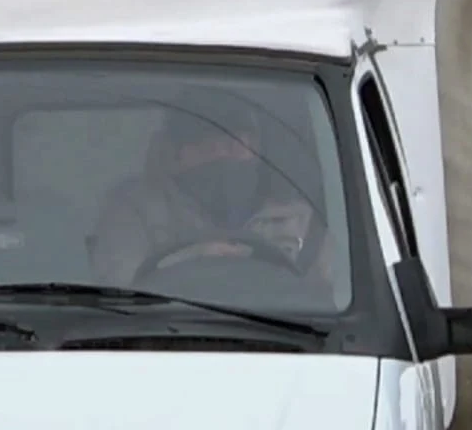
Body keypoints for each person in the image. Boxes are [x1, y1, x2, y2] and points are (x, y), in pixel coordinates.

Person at [89, 89, 331, 289]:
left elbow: (333, 294)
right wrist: (194, 260)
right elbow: (119, 290)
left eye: (233, 143)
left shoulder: (299, 217)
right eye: (205, 146)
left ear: (256, 149)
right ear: (173, 154)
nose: (222, 155)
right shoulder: (133, 210)